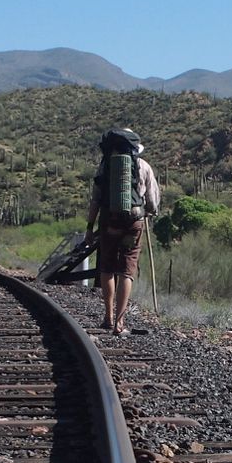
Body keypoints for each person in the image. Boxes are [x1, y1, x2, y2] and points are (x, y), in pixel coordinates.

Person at [84, 127, 161, 334]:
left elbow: (96, 200)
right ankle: (120, 323)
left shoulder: (105, 166)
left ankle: (108, 317)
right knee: (127, 271)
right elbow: (153, 201)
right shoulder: (143, 166)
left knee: (107, 268)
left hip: (109, 220)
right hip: (134, 222)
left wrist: (90, 227)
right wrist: (150, 212)